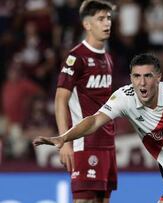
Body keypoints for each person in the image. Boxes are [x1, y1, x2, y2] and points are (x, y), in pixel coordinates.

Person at [34, 53, 163, 203]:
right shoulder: (124, 98)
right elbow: (94, 121)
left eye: (147, 76)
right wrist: (65, 137)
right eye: (136, 76)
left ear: (158, 77)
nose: (142, 83)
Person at [53, 0, 116, 202]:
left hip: (107, 144)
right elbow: (60, 100)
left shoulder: (108, 58)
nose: (107, 23)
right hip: (84, 143)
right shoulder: (76, 57)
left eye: (108, 18)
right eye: (100, 19)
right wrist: (65, 142)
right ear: (87, 24)